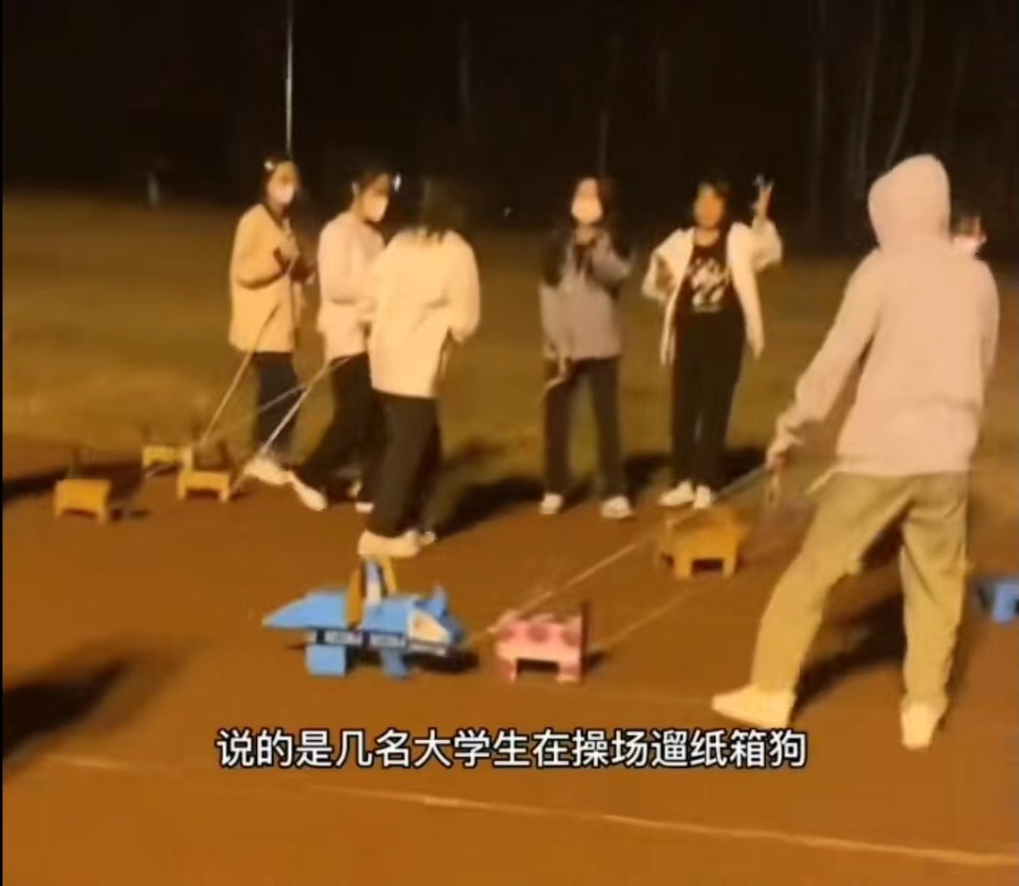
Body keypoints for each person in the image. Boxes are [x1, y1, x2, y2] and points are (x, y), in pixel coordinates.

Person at [711, 155, 999, 751]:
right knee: (937, 582)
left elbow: (835, 360)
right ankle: (924, 705)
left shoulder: (880, 270)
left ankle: (771, 691)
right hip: (948, 458)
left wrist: (790, 430)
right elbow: (984, 361)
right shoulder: (977, 278)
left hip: (878, 457)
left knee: (814, 570)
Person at [356, 177, 481, 560]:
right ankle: (380, 530)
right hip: (417, 365)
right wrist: (445, 333)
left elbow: (367, 298)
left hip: (384, 360)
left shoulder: (399, 244)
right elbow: (466, 320)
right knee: (407, 448)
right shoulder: (457, 251)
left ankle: (411, 519)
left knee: (425, 447)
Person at [643, 177, 783, 511]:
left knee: (715, 408)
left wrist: (762, 219)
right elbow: (653, 283)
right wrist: (660, 281)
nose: (707, 208)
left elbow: (770, 254)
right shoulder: (678, 243)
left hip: (724, 337)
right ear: (692, 205)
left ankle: (706, 482)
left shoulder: (739, 238)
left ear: (724, 206)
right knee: (683, 409)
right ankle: (682, 481)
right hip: (688, 336)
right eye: (701, 200)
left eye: (715, 201)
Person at [286, 162, 392, 512]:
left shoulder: (376, 239)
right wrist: (373, 293)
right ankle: (310, 474)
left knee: (379, 415)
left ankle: (372, 487)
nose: (382, 200)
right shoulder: (337, 232)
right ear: (356, 191)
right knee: (354, 414)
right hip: (345, 337)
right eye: (376, 192)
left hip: (375, 340)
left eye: (386, 193)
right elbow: (334, 286)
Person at [537, 176, 635, 521]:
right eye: (581, 193)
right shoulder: (556, 243)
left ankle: (614, 490)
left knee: (606, 420)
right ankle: (555, 486)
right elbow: (548, 294)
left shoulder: (613, 240)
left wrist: (595, 248)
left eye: (593, 195)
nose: (585, 201)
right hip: (560, 348)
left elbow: (615, 275)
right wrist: (560, 343)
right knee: (556, 420)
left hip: (601, 344)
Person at [229, 154, 315, 486]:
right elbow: (243, 271)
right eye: (282, 180)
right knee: (284, 388)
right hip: (261, 326)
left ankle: (270, 451)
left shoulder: (285, 224)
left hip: (281, 326)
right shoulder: (253, 221)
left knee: (282, 389)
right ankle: (264, 452)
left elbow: (292, 270)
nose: (289, 187)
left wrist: (304, 267)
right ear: (267, 184)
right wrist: (278, 259)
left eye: (292, 181)